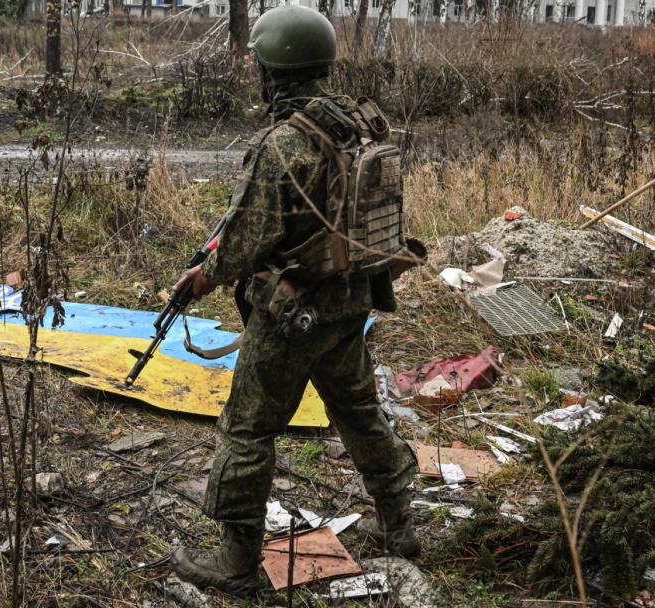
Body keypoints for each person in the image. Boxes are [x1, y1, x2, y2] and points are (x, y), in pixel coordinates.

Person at [167, 4, 421, 598]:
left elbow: (242, 244)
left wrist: (203, 277)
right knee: (358, 410)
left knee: (247, 429)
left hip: (295, 313)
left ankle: (235, 560)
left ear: (272, 70)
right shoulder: (359, 122)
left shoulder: (281, 144)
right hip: (352, 300)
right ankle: (399, 525)